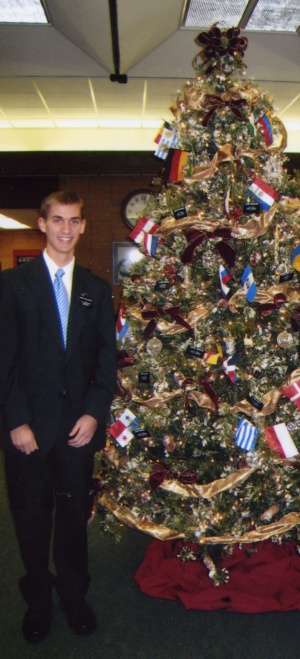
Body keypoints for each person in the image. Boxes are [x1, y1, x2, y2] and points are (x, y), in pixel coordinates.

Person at [0, 191, 117, 643]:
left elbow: (106, 364)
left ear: (84, 226)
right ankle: (38, 602)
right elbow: (4, 362)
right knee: (30, 521)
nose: (66, 229)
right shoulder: (12, 286)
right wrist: (15, 421)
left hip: (76, 432)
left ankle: (73, 596)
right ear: (42, 224)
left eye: (74, 221)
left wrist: (93, 413)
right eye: (57, 220)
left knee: (71, 521)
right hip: (26, 430)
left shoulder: (96, 290)